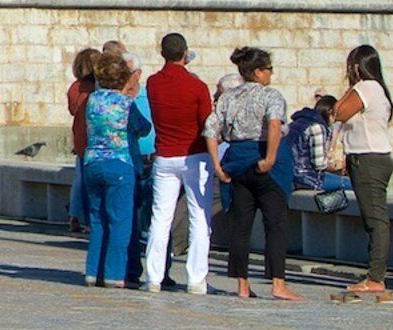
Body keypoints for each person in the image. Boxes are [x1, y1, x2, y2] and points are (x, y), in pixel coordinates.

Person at [209, 47, 298, 301]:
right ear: (258, 72)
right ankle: (278, 283)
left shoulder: (228, 97)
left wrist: (217, 165)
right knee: (275, 224)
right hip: (265, 164)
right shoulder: (271, 96)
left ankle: (242, 285)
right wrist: (269, 157)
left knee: (241, 226)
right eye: (269, 69)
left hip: (237, 163)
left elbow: (210, 129)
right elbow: (273, 124)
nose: (271, 74)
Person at [140, 34, 216, 294]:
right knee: (199, 217)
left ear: (162, 53)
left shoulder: (152, 83)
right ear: (185, 53)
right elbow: (207, 123)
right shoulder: (197, 87)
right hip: (194, 154)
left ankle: (154, 276)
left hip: (164, 155)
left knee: (160, 218)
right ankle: (196, 279)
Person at [71, 49, 153, 287]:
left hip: (92, 163)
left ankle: (92, 271)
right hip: (119, 163)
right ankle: (114, 275)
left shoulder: (92, 100)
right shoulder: (125, 103)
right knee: (120, 221)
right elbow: (144, 128)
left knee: (97, 220)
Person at [331, 43, 393, 300]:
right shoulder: (379, 90)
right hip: (372, 157)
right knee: (373, 218)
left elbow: (338, 112)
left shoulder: (365, 88)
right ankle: (374, 274)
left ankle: (375, 277)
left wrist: (350, 86)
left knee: (375, 220)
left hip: (368, 159)